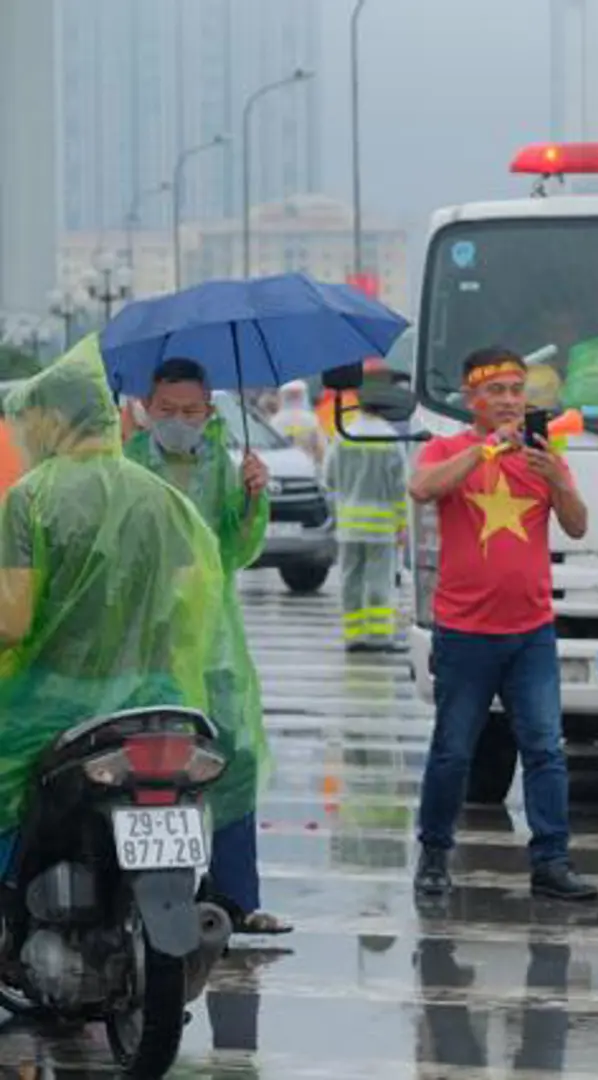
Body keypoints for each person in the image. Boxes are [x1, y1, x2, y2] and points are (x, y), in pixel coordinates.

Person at [0, 338, 225, 876]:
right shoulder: (160, 497)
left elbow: (14, 621)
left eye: (32, 420)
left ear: (55, 419)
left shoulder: (28, 498)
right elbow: (189, 600)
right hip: (154, 696)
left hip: (54, 702)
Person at [408, 346, 596, 901]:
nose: (510, 401)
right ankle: (435, 854)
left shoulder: (545, 454)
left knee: (545, 749)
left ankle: (551, 862)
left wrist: (556, 480)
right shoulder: (450, 449)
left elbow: (579, 526)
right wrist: (487, 451)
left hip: (531, 631)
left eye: (517, 391)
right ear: (473, 400)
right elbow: (422, 489)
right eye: (497, 392)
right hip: (465, 632)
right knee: (454, 750)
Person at [125, 358, 283, 934]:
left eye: (191, 411)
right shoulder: (127, 463)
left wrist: (252, 501)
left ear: (209, 412)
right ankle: (142, 900)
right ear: (147, 406)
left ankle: (237, 899)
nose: (178, 421)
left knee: (231, 759)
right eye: (167, 410)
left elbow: (239, 551)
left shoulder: (226, 465)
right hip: (143, 643)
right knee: (144, 766)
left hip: (213, 642)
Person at [323, 384, 410, 653]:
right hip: (380, 525)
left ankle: (354, 637)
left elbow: (329, 478)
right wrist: (402, 523)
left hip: (349, 525)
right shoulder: (389, 437)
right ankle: (379, 637)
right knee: (379, 580)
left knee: (350, 579)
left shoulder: (343, 434)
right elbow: (400, 486)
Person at [271, 380, 327, 465]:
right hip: (308, 466)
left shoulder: (276, 421)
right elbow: (321, 447)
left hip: (282, 465)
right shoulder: (311, 419)